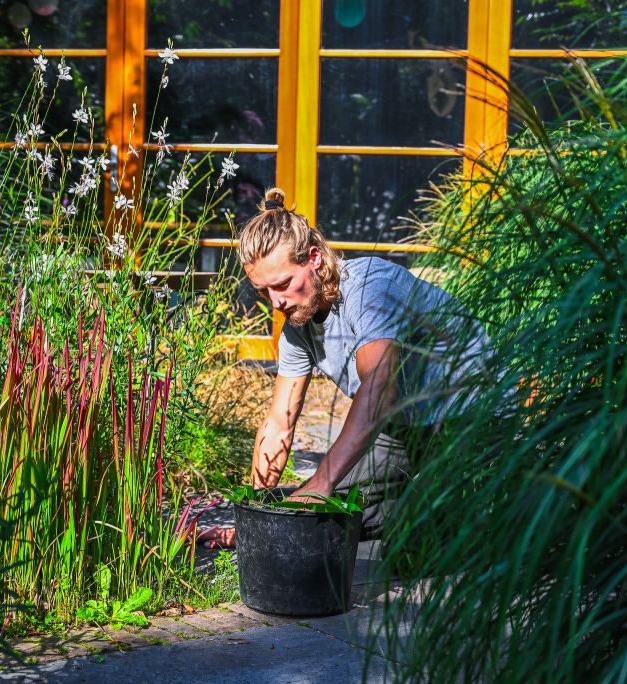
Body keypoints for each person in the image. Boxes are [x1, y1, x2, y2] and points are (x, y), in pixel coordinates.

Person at [197, 188, 492, 549]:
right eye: (263, 292)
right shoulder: (296, 330)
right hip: (405, 426)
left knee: (408, 547)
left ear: (315, 259)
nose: (276, 302)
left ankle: (494, 497)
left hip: (468, 416)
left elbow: (381, 390)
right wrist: (255, 519)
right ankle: (420, 501)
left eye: (283, 284)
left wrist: (322, 482)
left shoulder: (369, 287)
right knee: (312, 511)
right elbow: (279, 425)